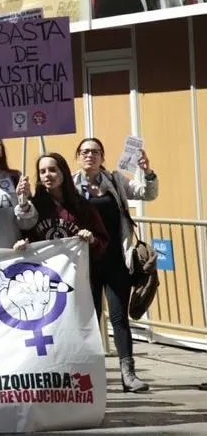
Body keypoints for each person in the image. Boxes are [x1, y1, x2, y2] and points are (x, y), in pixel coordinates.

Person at [72, 138, 159, 392]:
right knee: (88, 319)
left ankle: (128, 375)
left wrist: (148, 172)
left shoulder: (115, 180)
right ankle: (89, 376)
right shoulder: (70, 186)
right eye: (85, 152)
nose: (91, 156)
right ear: (78, 156)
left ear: (102, 156)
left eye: (96, 152)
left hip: (116, 262)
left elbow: (147, 193)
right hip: (84, 264)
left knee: (119, 319)